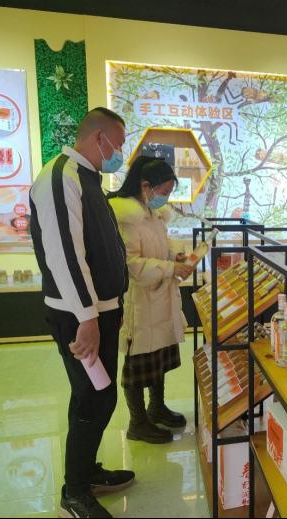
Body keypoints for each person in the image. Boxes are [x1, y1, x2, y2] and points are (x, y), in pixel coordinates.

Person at [30, 107, 133, 518]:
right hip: (78, 316)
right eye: (119, 144)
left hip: (99, 311)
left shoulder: (89, 179)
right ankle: (74, 492)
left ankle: (86, 472)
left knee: (96, 396)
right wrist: (88, 318)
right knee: (95, 397)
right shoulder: (60, 177)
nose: (120, 153)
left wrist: (113, 306)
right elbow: (64, 255)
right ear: (99, 139)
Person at [108, 157, 193, 444]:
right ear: (146, 186)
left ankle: (157, 407)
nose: (165, 198)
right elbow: (132, 265)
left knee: (159, 357)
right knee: (138, 363)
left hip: (161, 297)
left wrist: (175, 256)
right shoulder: (127, 218)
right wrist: (170, 268)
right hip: (141, 302)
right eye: (164, 192)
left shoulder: (152, 213)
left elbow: (161, 246)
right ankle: (137, 422)